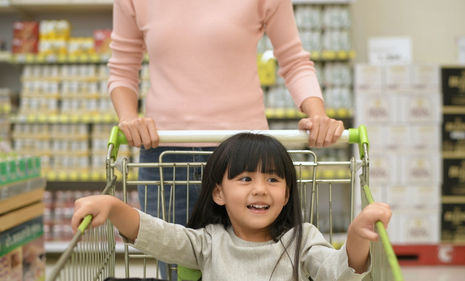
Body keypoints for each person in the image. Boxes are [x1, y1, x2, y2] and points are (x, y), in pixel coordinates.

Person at [108, 1, 344, 278]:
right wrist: (128, 118)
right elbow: (123, 66)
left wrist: (317, 114)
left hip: (246, 158)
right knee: (173, 267)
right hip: (163, 153)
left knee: (261, 265)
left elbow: (294, 61)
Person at [72, 133, 392, 281]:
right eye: (245, 179)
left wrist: (356, 233)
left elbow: (339, 271)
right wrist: (113, 206)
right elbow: (160, 235)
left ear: (287, 193)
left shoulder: (302, 239)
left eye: (272, 180)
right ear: (218, 194)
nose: (259, 189)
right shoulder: (210, 241)